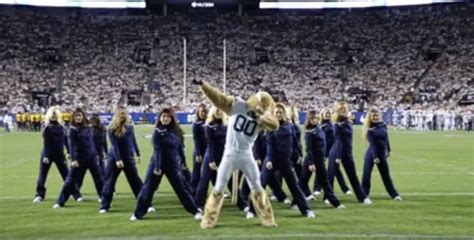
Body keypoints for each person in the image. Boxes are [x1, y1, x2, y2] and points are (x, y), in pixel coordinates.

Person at [193, 79, 278, 229]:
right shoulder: (237, 105)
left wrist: (259, 117)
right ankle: (208, 220)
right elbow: (219, 99)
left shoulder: (263, 118)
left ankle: (268, 219)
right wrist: (204, 86)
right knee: (219, 188)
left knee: (257, 187)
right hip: (229, 154)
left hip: (247, 155)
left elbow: (275, 125)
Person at [130, 108, 202, 221]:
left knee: (181, 189)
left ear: (172, 118)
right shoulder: (157, 132)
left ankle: (195, 211)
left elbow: (180, 149)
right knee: (148, 189)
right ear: (160, 118)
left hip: (172, 165)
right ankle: (137, 214)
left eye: (168, 117)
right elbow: (157, 150)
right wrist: (158, 167)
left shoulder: (176, 132)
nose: (166, 119)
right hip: (157, 165)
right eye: (163, 116)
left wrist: (183, 163)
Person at [261, 103, 315, 217]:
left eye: (280, 112)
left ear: (284, 113)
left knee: (294, 186)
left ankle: (306, 210)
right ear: (273, 113)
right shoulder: (270, 126)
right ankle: (252, 209)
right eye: (276, 112)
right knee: (261, 185)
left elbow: (295, 142)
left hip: (285, 161)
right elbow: (269, 145)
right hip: (272, 160)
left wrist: (299, 154)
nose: (279, 114)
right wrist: (269, 159)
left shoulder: (289, 125)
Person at [194, 106, 248, 212]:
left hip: (225, 157)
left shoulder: (227, 125)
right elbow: (210, 144)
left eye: (220, 110)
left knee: (230, 181)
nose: (219, 112)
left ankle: (242, 204)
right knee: (204, 180)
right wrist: (211, 160)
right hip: (211, 156)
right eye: (217, 110)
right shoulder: (208, 126)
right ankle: (198, 205)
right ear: (213, 112)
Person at [53, 108, 103, 208]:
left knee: (99, 180)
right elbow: (72, 145)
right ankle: (60, 201)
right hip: (79, 159)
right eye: (76, 116)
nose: (78, 117)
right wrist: (73, 159)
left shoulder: (88, 127)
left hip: (91, 158)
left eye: (80, 115)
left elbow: (92, 143)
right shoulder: (72, 129)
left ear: (83, 116)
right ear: (73, 117)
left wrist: (97, 154)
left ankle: (105, 199)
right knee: (70, 181)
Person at [33, 106, 82, 203]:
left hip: (59, 155)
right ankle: (39, 195)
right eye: (52, 114)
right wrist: (46, 155)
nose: (53, 116)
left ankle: (76, 194)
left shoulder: (62, 127)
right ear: (49, 116)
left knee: (67, 175)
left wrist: (69, 152)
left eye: (55, 114)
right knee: (42, 176)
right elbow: (46, 142)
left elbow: (66, 141)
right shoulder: (46, 127)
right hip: (47, 155)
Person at [99, 106, 143, 213]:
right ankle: (105, 205)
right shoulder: (111, 128)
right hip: (114, 158)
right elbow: (114, 145)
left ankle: (145, 203)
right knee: (109, 182)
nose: (123, 115)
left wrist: (138, 154)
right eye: (121, 113)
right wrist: (118, 159)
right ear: (117, 114)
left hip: (128, 158)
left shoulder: (130, 127)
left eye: (125, 113)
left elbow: (133, 141)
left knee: (135, 181)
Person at [327, 101, 372, 205]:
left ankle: (362, 197)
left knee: (352, 175)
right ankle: (329, 197)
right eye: (341, 109)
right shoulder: (337, 124)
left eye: (344, 109)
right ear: (337, 111)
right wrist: (338, 156)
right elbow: (338, 140)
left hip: (347, 152)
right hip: (336, 152)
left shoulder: (348, 122)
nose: (343, 111)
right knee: (331, 175)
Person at [298, 110, 344, 208]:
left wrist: (323, 157)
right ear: (309, 120)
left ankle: (335, 203)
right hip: (311, 161)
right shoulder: (309, 132)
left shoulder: (320, 130)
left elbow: (323, 146)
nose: (314, 120)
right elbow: (309, 149)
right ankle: (296, 202)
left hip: (320, 160)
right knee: (302, 182)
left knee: (325, 182)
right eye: (312, 119)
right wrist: (311, 163)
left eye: (316, 118)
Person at [361, 107, 401, 201]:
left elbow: (386, 138)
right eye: (373, 116)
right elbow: (373, 144)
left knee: (385, 175)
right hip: (371, 153)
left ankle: (394, 194)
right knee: (366, 174)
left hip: (381, 153)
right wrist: (375, 157)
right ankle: (364, 194)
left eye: (376, 115)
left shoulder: (383, 125)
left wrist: (388, 150)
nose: (375, 117)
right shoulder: (370, 129)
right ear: (370, 117)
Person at [314, 108, 351, 196]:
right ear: (322, 114)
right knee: (320, 169)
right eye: (326, 113)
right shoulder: (319, 126)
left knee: (336, 169)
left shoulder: (332, 125)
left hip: (331, 149)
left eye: (329, 113)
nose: (327, 114)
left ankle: (345, 188)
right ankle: (317, 188)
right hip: (322, 149)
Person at [191, 104, 208, 192]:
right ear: (198, 112)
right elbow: (196, 139)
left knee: (210, 173)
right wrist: (198, 153)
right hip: (199, 151)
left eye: (205, 111)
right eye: (201, 111)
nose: (203, 113)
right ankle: (193, 190)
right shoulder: (196, 124)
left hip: (208, 151)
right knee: (196, 172)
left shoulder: (209, 122)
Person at [90, 114, 108, 181]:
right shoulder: (90, 129)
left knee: (102, 169)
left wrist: (106, 152)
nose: (92, 123)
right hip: (91, 152)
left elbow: (104, 142)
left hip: (99, 151)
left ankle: (104, 185)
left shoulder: (102, 129)